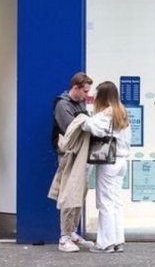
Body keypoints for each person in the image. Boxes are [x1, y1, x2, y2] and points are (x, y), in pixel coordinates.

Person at [83, 81, 132, 254]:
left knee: (104, 202)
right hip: (122, 161)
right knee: (116, 201)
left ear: (103, 96)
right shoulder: (122, 112)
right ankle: (118, 241)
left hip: (109, 162)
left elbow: (90, 126)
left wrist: (93, 116)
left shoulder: (107, 113)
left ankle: (105, 243)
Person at [49, 72, 94, 252]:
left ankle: (72, 231)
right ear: (75, 88)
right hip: (68, 153)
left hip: (80, 152)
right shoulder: (62, 105)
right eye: (85, 91)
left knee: (79, 191)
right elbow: (72, 129)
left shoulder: (79, 102)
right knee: (69, 192)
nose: (87, 95)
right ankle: (64, 237)